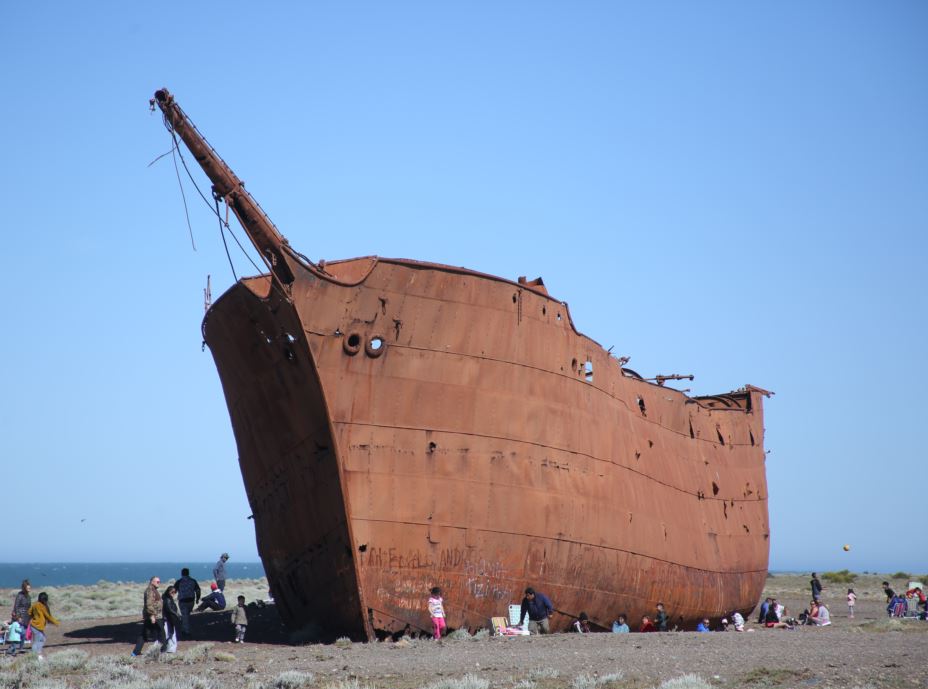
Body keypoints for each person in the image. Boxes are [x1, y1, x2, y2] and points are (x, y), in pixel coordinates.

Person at [132, 577, 166, 656]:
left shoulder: (153, 590)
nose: (159, 582)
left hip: (155, 615)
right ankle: (163, 651)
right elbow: (149, 604)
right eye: (157, 581)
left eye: (159, 581)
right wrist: (152, 615)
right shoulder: (150, 591)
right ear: (152, 582)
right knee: (161, 633)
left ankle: (135, 652)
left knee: (144, 634)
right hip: (155, 616)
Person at [28, 592, 59, 659]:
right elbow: (48, 616)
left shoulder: (35, 604)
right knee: (37, 641)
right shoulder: (42, 606)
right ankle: (36, 655)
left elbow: (29, 612)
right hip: (37, 626)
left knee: (41, 639)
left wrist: (34, 617)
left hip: (34, 625)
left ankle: (36, 653)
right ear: (45, 600)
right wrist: (56, 622)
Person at [175, 568, 201, 637]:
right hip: (191, 601)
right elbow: (198, 590)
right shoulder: (193, 581)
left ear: (182, 573)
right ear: (188, 573)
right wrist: (197, 599)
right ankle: (184, 629)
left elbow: (173, 590)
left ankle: (186, 631)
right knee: (186, 615)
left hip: (182, 601)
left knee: (185, 616)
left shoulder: (179, 582)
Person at [161, 585, 182, 653]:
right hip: (167, 620)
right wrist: (176, 614)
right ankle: (162, 648)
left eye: (174, 592)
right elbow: (169, 609)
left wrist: (177, 614)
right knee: (167, 634)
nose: (173, 593)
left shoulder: (170, 599)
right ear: (168, 592)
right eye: (172, 592)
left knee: (171, 634)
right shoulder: (167, 599)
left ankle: (171, 649)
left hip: (170, 620)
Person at [12, 580, 31, 647]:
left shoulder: (28, 596)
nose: (29, 589)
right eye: (28, 588)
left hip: (26, 617)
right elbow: (16, 606)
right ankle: (12, 648)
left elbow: (29, 607)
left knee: (24, 633)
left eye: (30, 588)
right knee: (20, 632)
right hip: (20, 617)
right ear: (24, 588)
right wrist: (18, 617)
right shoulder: (20, 595)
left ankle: (21, 647)